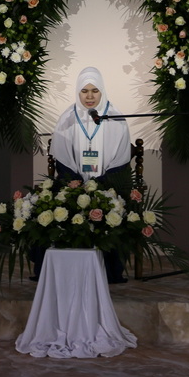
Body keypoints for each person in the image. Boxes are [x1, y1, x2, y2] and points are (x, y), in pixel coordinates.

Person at [35, 66, 132, 283]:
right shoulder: (67, 118)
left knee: (115, 210)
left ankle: (109, 271)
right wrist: (77, 183)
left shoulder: (115, 118)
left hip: (108, 184)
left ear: (102, 91)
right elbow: (62, 159)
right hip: (73, 185)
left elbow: (121, 159)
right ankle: (61, 272)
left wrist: (99, 184)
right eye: (84, 91)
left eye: (95, 91)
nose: (89, 97)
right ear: (78, 92)